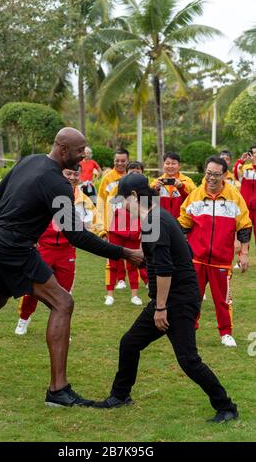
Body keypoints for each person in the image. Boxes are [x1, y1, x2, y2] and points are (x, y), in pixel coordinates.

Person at [0, 127, 143, 407]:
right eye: (79, 151)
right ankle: (58, 389)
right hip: (12, 244)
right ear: (63, 149)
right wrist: (126, 253)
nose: (83, 157)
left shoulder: (30, 160)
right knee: (63, 303)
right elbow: (76, 236)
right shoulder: (57, 184)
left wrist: (17, 222)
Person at [93, 173, 239, 424]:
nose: (121, 205)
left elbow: (165, 270)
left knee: (188, 360)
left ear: (135, 197)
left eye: (123, 200)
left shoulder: (153, 223)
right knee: (130, 343)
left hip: (176, 300)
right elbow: (163, 254)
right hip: (172, 297)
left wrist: (160, 308)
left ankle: (227, 407)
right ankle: (120, 396)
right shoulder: (158, 218)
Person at [14, 164, 96, 335]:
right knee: (33, 288)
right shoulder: (47, 193)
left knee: (64, 295)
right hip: (44, 248)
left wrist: (91, 230)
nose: (72, 177)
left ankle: (60, 329)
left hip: (67, 251)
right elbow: (31, 216)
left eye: (76, 174)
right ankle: (23, 318)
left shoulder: (84, 200)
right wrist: (32, 238)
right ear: (61, 174)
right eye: (68, 173)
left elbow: (92, 223)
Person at [179, 156, 252, 347]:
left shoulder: (234, 197)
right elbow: (183, 225)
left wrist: (243, 253)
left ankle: (226, 333)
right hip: (196, 259)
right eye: (208, 173)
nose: (211, 178)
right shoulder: (195, 195)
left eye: (216, 174)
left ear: (225, 175)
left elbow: (244, 226)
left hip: (221, 260)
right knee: (192, 297)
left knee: (223, 300)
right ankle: (189, 330)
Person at [104, 161, 148, 306]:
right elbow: (107, 209)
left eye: (137, 172)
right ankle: (109, 294)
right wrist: (105, 230)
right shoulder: (118, 189)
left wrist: (144, 230)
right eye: (131, 172)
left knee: (133, 264)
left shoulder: (145, 193)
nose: (134, 174)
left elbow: (148, 214)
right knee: (112, 263)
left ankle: (134, 295)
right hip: (116, 232)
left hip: (134, 233)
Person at [96, 148, 130, 290]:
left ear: (128, 160)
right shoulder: (107, 178)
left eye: (123, 161)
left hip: (130, 221)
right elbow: (100, 202)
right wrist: (102, 228)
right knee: (116, 253)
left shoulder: (132, 175)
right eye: (117, 160)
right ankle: (120, 279)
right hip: (112, 222)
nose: (120, 163)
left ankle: (143, 280)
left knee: (132, 251)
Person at [150, 152, 196, 218]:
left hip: (181, 221)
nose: (170, 166)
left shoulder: (187, 181)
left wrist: (181, 187)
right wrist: (156, 189)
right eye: (167, 163)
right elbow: (148, 202)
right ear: (163, 165)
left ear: (179, 166)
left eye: (173, 163)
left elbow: (194, 198)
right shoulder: (157, 182)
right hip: (162, 220)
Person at [233, 146, 256, 242]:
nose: (255, 155)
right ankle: (243, 255)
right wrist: (241, 161)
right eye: (253, 153)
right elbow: (236, 174)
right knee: (244, 236)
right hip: (246, 209)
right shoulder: (245, 169)